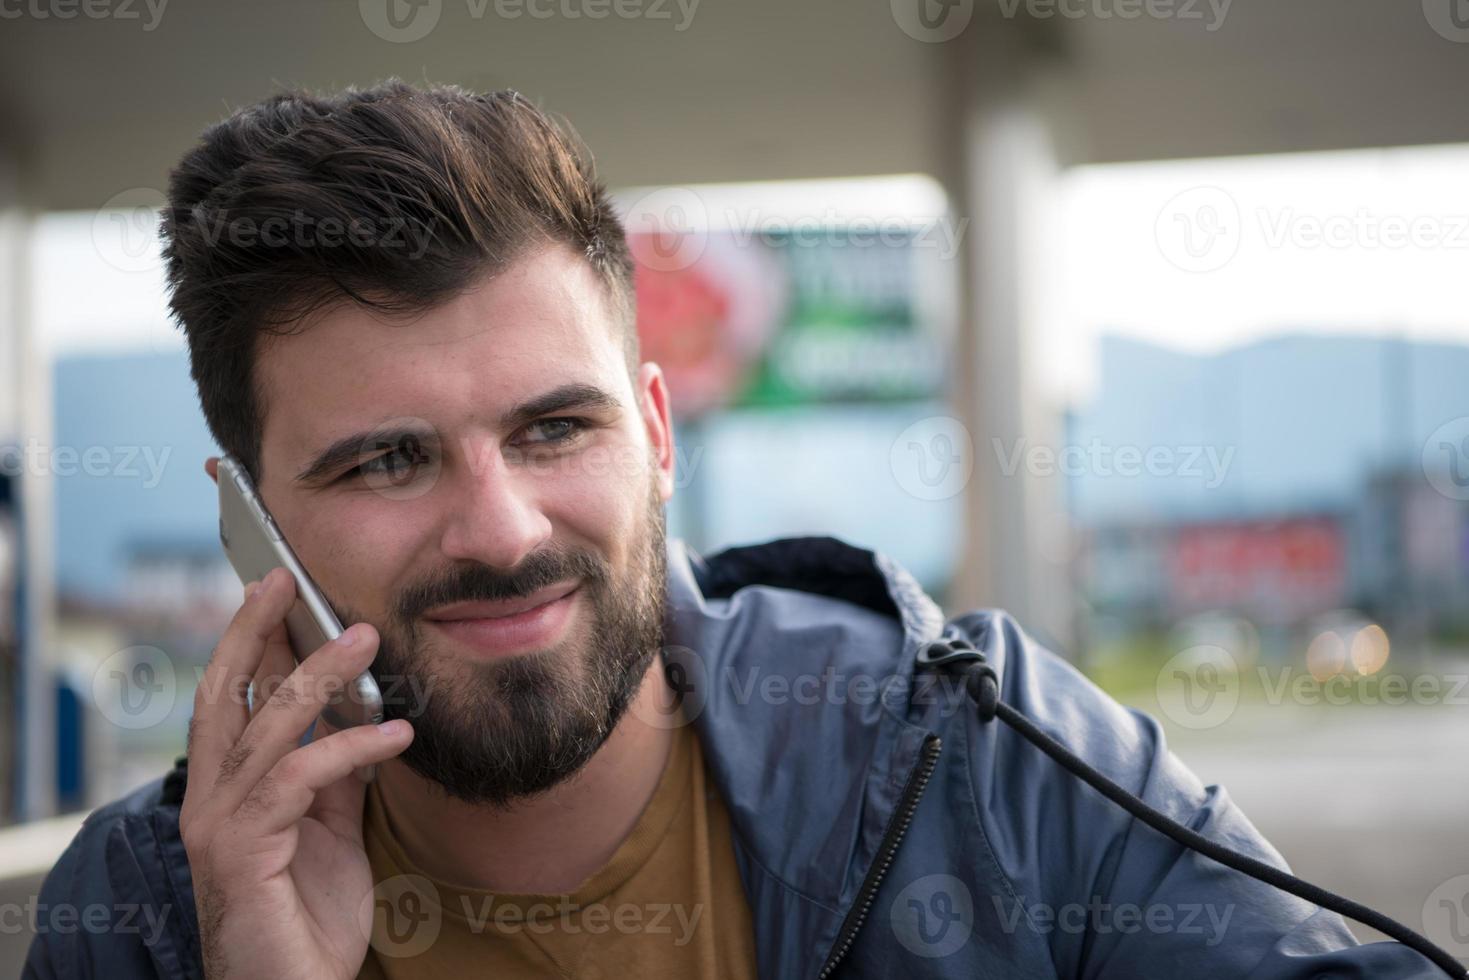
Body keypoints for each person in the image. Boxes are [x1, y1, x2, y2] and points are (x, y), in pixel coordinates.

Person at [23, 80, 1452, 979]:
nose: (501, 527)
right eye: (387, 461)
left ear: (653, 433)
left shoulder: (981, 751)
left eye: (553, 429)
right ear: (252, 529)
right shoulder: (150, 915)